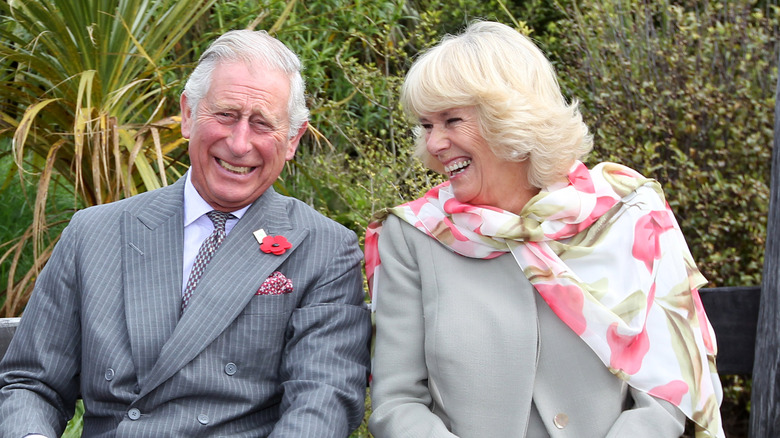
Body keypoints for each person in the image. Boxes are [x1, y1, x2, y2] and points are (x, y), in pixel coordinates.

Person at [0, 29, 372, 437]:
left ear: (292, 140)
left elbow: (323, 398)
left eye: (262, 124)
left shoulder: (324, 248)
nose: (239, 142)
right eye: (226, 114)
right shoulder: (94, 233)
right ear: (188, 115)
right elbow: (32, 382)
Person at [365, 21, 724, 438]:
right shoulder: (412, 235)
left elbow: (665, 395)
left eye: (451, 120)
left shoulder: (630, 213)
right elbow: (397, 403)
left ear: (510, 117)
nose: (434, 144)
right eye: (427, 125)